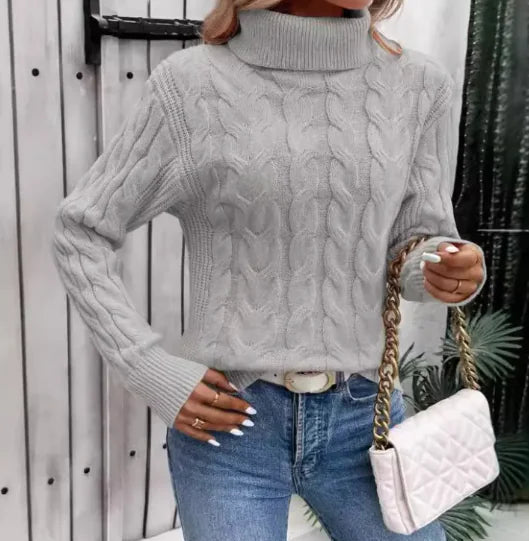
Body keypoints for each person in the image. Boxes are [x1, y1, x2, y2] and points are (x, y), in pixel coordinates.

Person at [51, 0, 487, 539]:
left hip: (366, 418)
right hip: (231, 424)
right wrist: (148, 367)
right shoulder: (190, 87)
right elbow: (82, 230)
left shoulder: (421, 87)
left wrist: (444, 267)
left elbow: (412, 244)